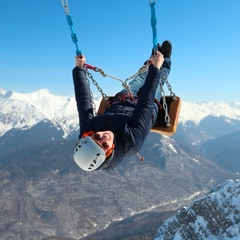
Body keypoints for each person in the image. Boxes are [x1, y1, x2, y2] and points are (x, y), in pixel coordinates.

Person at [72, 41, 172, 171]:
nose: (103, 136)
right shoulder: (132, 139)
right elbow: (145, 104)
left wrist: (79, 69)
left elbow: (83, 102)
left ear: (88, 136)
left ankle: (152, 60)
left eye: (96, 137)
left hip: (124, 100)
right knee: (158, 80)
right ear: (109, 153)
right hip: (145, 108)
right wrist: (156, 68)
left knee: (141, 78)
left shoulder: (87, 131)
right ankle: (166, 60)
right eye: (104, 145)